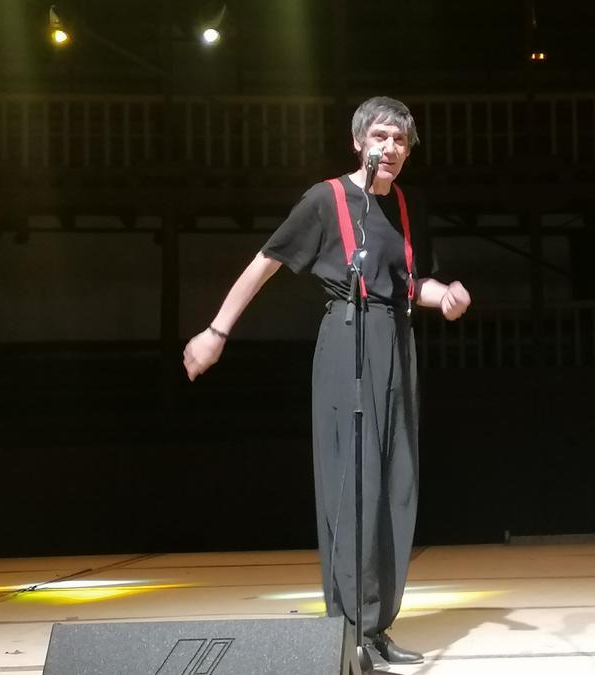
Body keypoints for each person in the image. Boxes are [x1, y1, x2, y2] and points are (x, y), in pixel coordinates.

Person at [182, 96, 471, 665]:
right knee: (354, 484)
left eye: (401, 141)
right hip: (346, 342)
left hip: (397, 343)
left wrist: (447, 299)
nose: (390, 148)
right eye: (381, 137)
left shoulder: (407, 207)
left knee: (396, 482)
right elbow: (265, 261)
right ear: (359, 142)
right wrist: (216, 331)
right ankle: (350, 627)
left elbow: (410, 284)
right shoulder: (328, 198)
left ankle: (378, 623)